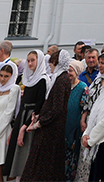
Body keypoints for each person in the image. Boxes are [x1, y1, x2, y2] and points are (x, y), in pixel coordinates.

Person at [21, 49, 71, 182]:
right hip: (49, 127)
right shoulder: (59, 78)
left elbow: (57, 108)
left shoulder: (62, 79)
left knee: (43, 166)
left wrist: (40, 122)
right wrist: (39, 117)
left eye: (52, 63)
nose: (50, 66)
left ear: (57, 62)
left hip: (51, 130)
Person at [6, 49, 48, 179]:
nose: (30, 63)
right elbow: (24, 103)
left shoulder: (42, 80)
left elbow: (39, 105)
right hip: (23, 114)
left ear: (39, 61)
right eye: (28, 60)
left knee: (25, 152)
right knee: (17, 153)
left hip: (31, 118)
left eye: (33, 60)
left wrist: (25, 126)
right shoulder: (28, 79)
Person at [65, 59, 88, 181]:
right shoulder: (64, 86)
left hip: (74, 128)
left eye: (71, 70)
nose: (68, 73)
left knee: (72, 156)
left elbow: (85, 107)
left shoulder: (82, 87)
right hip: (63, 126)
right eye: (67, 70)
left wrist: (82, 121)